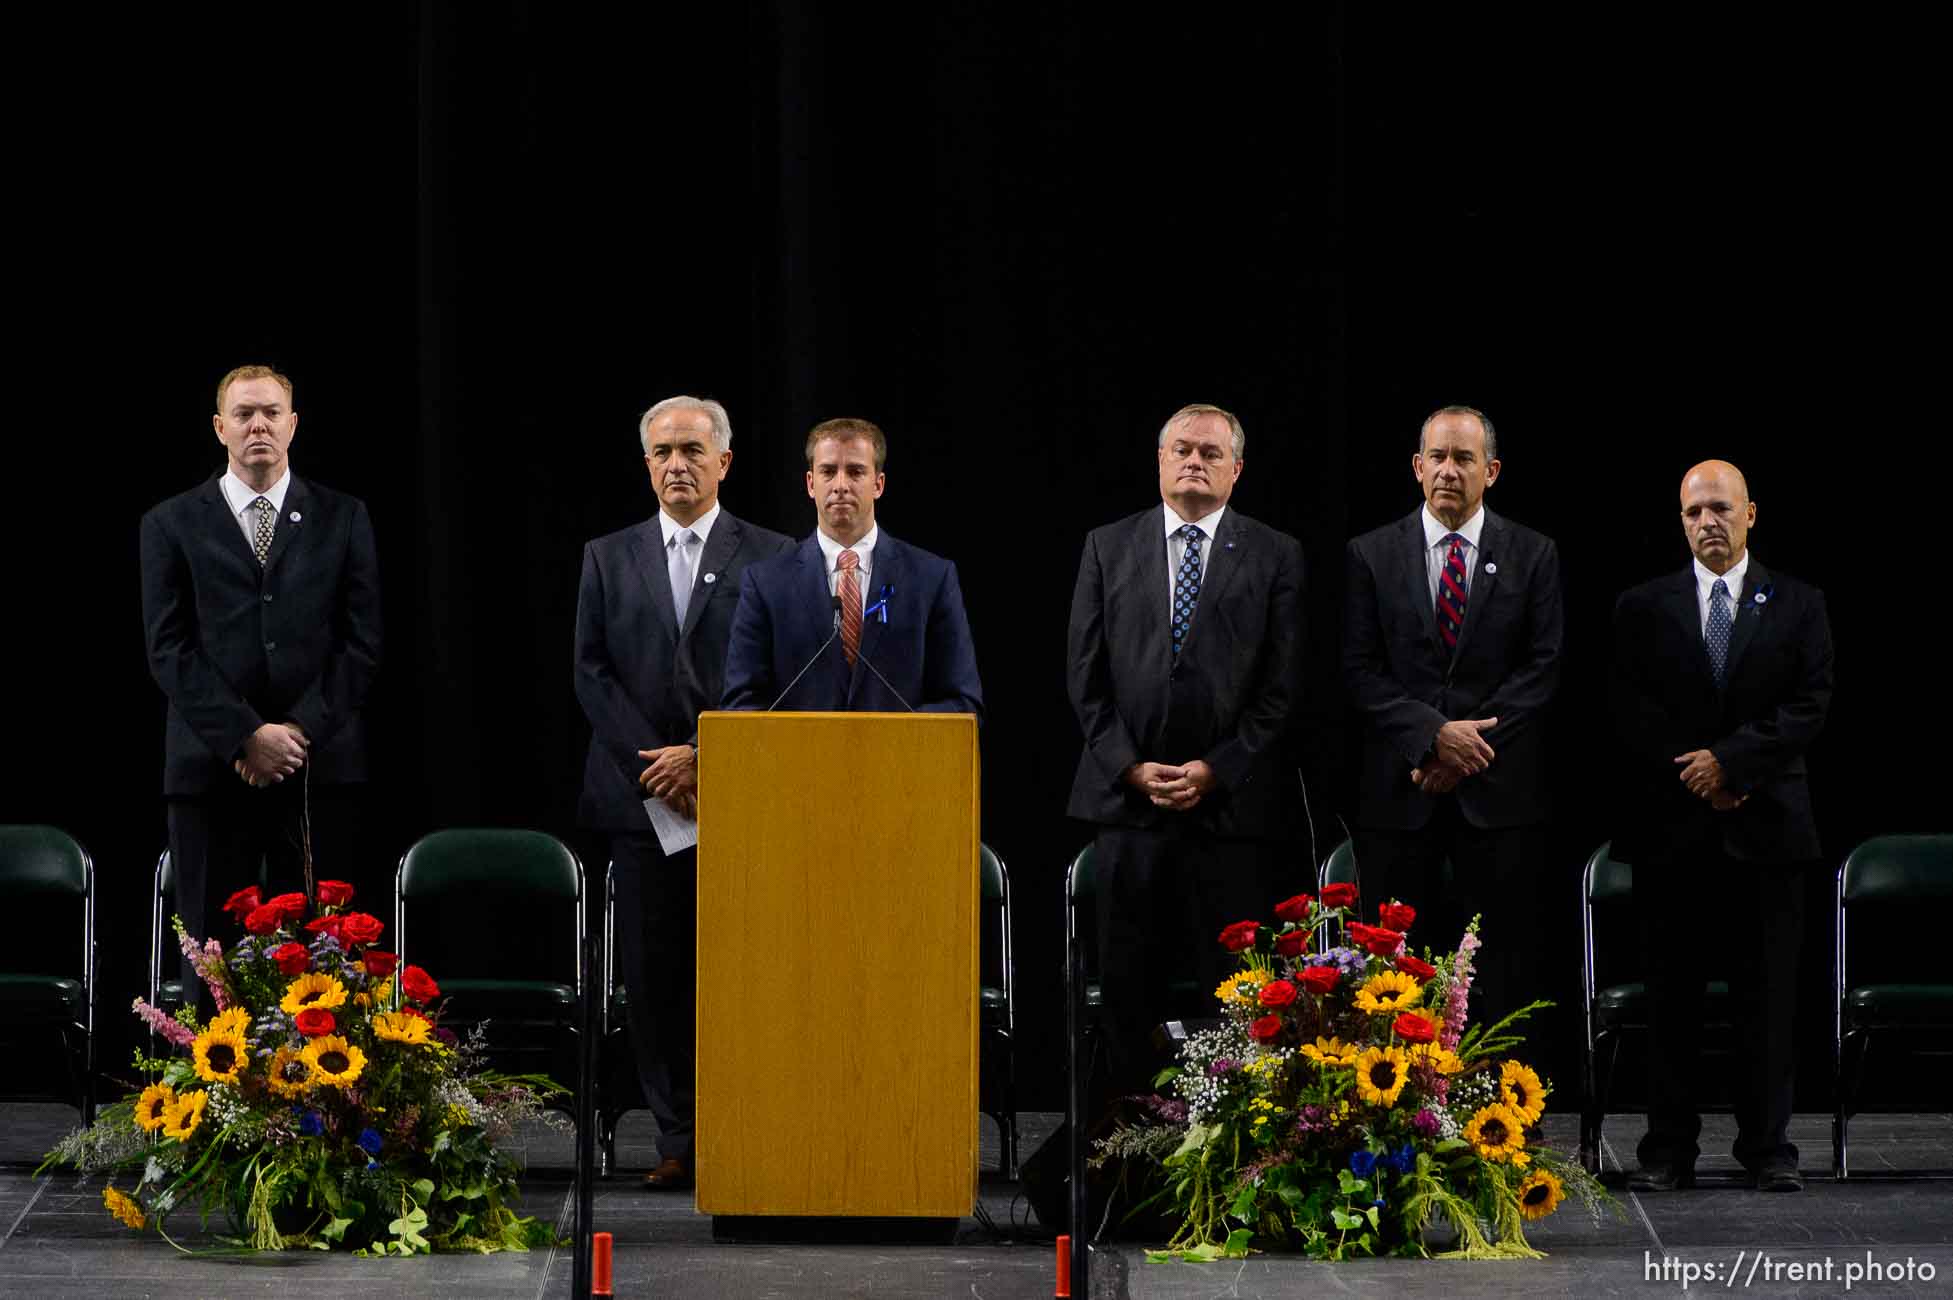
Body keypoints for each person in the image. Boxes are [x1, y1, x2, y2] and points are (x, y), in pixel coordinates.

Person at [573, 395, 793, 1190]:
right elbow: (590, 674)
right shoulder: (607, 555)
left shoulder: (773, 556)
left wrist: (703, 755)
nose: (677, 464)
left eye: (693, 450)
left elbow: (782, 674)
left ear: (724, 462)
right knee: (655, 976)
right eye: (663, 451)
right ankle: (678, 1140)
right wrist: (656, 764)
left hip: (740, 796)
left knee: (748, 973)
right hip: (639, 802)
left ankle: (750, 1126)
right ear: (646, 463)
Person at [1065, 403, 1304, 1098]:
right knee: (1126, 991)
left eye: (1208, 452)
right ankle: (1126, 1149)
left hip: (1228, 817)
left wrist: (1215, 769)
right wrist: (1131, 767)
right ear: (1159, 461)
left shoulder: (1275, 554)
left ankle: (1227, 1151)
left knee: (1230, 995)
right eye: (1180, 449)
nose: (1193, 461)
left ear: (1236, 469)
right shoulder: (1107, 546)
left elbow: (1281, 689)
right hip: (1127, 807)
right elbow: (1084, 679)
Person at [1612, 459, 1833, 1194]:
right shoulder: (1641, 607)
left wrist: (1732, 766)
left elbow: (1808, 705)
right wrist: (1697, 775)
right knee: (1670, 1000)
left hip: (1767, 830)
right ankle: (1666, 1151)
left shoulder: (1798, 603)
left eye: (1719, 508)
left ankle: (1768, 1148)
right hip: (1673, 833)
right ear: (1680, 519)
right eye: (1692, 511)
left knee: (1766, 1002)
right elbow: (1630, 710)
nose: (1706, 521)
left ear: (1750, 514)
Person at [140, 365, 382, 998]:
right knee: (215, 961)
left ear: (293, 424)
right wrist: (246, 735)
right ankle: (214, 1097)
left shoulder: (344, 517)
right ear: (220, 428)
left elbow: (362, 644)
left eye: (272, 413)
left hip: (320, 768)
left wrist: (296, 731)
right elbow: (169, 649)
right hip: (212, 769)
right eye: (244, 414)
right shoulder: (169, 524)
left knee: (325, 958)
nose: (258, 425)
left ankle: (328, 1100)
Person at [1342, 405, 1563, 1023]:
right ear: (1417, 467)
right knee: (1391, 978)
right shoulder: (1369, 554)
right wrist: (1432, 737)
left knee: (1503, 969)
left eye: (1464, 458)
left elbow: (1541, 669)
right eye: (1437, 456)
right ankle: (1397, 1118)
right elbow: (1359, 671)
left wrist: (1463, 753)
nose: (1448, 469)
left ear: (1490, 471)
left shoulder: (1534, 554)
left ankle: (1505, 1116)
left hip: (1498, 801)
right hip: (1399, 798)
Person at [720, 417, 982, 716]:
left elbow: (962, 702)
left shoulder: (932, 578)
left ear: (878, 484)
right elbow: (742, 705)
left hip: (899, 760)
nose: (840, 485)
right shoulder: (765, 582)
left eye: (856, 472)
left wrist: (895, 741)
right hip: (800, 761)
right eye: (828, 472)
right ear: (810, 484)